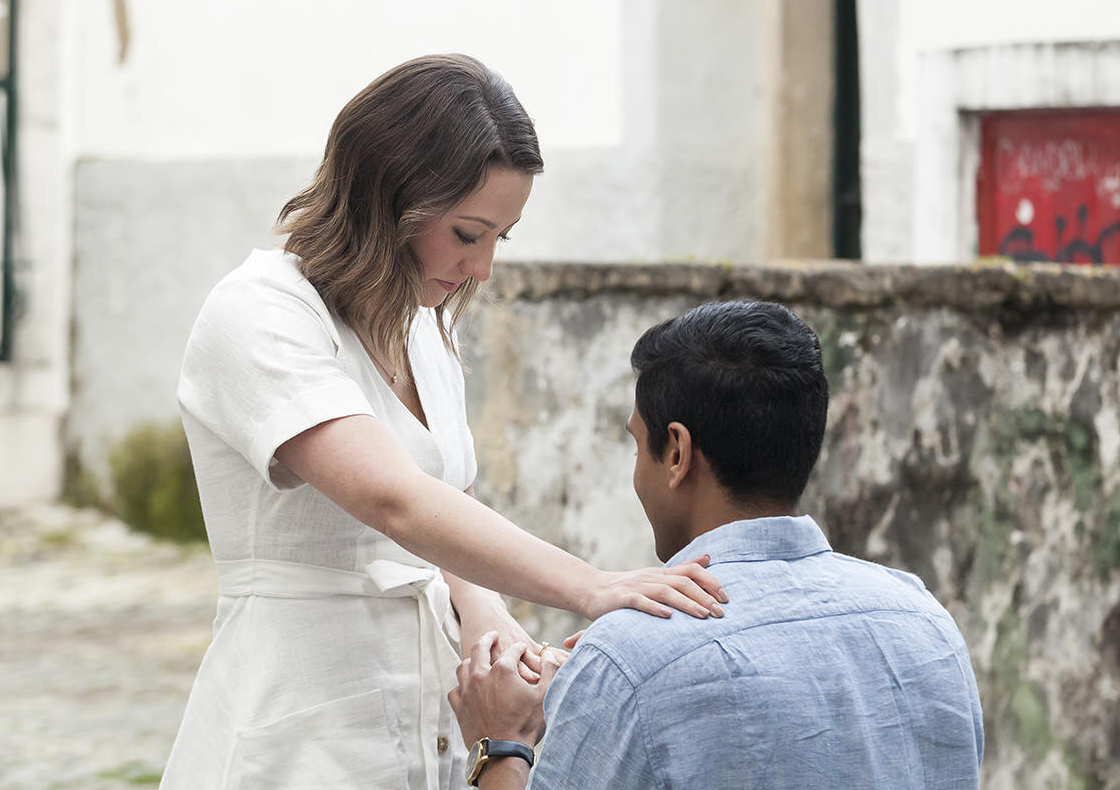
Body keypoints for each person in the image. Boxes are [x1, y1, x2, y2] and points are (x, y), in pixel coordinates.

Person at [158, 54, 726, 790]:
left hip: (429, 723)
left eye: (501, 237)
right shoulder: (258, 312)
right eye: (467, 233)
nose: (483, 267)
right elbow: (393, 500)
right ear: (388, 199)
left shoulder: (419, 327)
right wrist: (591, 585)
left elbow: (434, 525)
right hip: (303, 724)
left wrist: (489, 618)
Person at [448, 300, 985, 789]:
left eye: (639, 445)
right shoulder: (925, 622)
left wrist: (499, 746)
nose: (637, 471)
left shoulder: (627, 660)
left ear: (677, 453)